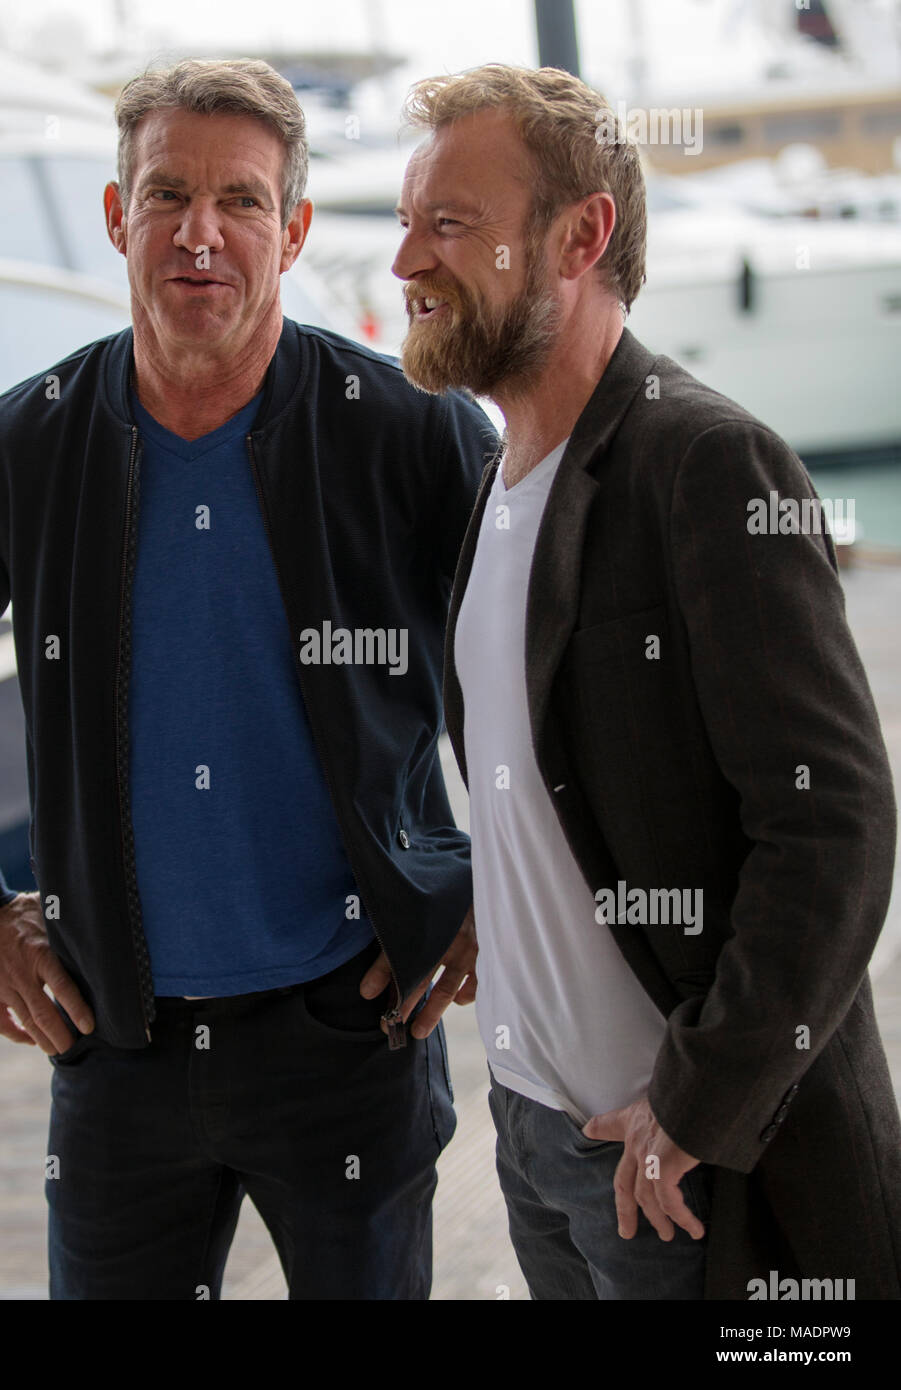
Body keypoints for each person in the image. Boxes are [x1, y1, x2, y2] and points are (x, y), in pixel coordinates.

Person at [0, 58, 494, 1301]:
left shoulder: (406, 430)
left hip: (349, 1027)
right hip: (117, 1046)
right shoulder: (24, 440)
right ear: (116, 217)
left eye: (243, 202)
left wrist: (493, 887)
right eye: (168, 196)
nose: (202, 234)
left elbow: (527, 666)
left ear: (294, 230)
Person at [391, 62, 901, 1300]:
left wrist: (699, 1101)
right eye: (408, 221)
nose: (405, 260)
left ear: (581, 235)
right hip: (531, 1134)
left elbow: (832, 822)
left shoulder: (707, 461)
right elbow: (546, 770)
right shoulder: (498, 477)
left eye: (448, 223)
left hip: (685, 1166)